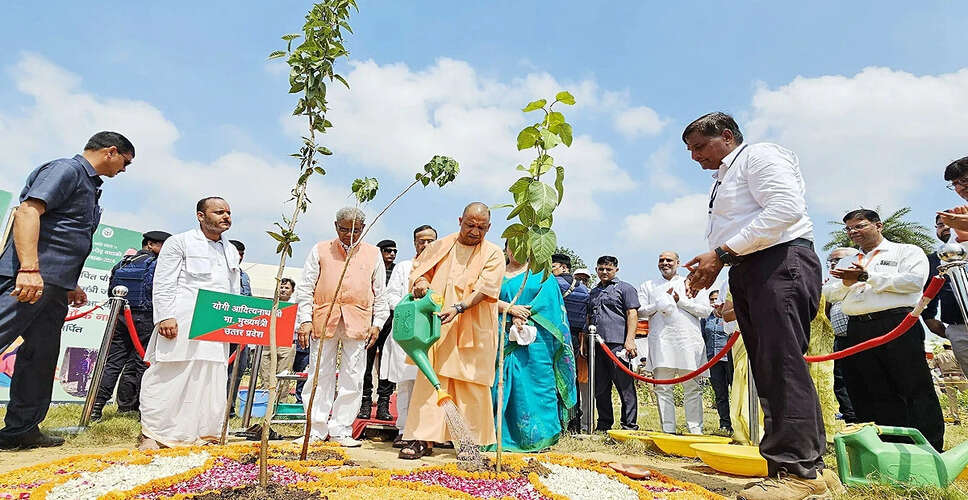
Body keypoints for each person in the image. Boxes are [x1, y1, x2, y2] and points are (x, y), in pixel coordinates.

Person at [680, 112, 838, 499]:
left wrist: (722, 253)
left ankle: (797, 472)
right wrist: (720, 261)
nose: (695, 157)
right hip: (751, 267)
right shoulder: (723, 177)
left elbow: (785, 209)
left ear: (727, 136)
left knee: (781, 365)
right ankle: (812, 468)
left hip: (779, 262)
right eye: (690, 151)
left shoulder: (759, 156)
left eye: (699, 147)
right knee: (773, 368)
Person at [0, 131, 134, 450]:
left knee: (41, 357)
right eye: (125, 162)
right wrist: (29, 269)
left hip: (54, 286)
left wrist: (70, 283)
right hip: (30, 278)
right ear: (111, 152)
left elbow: (65, 233)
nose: (124, 170)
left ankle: (21, 429)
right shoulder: (66, 170)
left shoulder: (89, 185)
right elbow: (28, 212)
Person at [823, 209, 945, 451]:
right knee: (869, 389)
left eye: (859, 226)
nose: (853, 232)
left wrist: (866, 277)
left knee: (913, 386)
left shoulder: (906, 251)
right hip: (857, 327)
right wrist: (847, 282)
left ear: (878, 225)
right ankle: (884, 448)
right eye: (849, 229)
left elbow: (913, 282)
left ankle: (929, 449)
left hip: (897, 324)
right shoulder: (848, 260)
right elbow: (830, 292)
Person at [399, 202, 505, 459]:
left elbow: (486, 289)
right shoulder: (440, 246)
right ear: (460, 221)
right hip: (439, 326)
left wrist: (458, 308)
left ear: (489, 227)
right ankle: (422, 439)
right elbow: (420, 272)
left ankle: (470, 444)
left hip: (474, 328)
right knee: (431, 380)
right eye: (470, 225)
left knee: (471, 385)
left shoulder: (494, 253)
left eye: (481, 227)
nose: (475, 231)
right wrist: (421, 283)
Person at [139, 197, 241, 449]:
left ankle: (205, 434)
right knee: (169, 374)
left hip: (216, 323)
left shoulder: (230, 250)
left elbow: (233, 290)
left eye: (228, 212)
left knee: (211, 377)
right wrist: (165, 315)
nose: (226, 216)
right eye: (219, 212)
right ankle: (154, 433)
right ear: (200, 216)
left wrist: (234, 323)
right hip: (181, 321)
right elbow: (163, 281)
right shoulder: (179, 242)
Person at [293, 207, 388, 448]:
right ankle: (315, 429)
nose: (349, 235)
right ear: (336, 226)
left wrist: (377, 324)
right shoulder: (320, 249)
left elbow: (381, 294)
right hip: (323, 319)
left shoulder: (373, 254)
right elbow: (305, 288)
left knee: (353, 377)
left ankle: (341, 430)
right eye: (344, 229)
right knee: (318, 374)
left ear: (363, 229)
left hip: (358, 322)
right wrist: (304, 320)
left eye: (355, 230)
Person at [490, 244, 577, 452]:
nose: (517, 251)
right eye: (512, 246)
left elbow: (550, 305)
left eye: (523, 247)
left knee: (538, 385)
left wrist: (525, 316)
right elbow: (483, 299)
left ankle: (540, 439)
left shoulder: (542, 275)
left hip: (537, 342)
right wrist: (510, 310)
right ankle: (498, 437)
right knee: (501, 384)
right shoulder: (494, 273)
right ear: (506, 249)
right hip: (500, 338)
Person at [90, 230, 171, 421]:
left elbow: (111, 291)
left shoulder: (123, 263)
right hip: (145, 317)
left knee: (113, 363)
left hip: (120, 316)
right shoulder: (158, 264)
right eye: (163, 245)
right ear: (150, 244)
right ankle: (145, 412)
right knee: (144, 364)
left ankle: (95, 408)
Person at [637, 251, 711, 435]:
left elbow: (705, 311)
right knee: (662, 388)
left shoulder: (692, 282)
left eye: (669, 260)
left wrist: (680, 301)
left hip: (687, 342)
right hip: (661, 342)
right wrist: (659, 304)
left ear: (678, 263)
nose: (665, 263)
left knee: (692, 388)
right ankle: (668, 430)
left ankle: (695, 430)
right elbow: (640, 311)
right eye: (661, 260)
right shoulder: (648, 285)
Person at [381, 225, 437, 448]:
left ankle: (427, 432)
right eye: (421, 241)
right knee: (405, 383)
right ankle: (404, 430)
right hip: (406, 331)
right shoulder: (404, 267)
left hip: (432, 334)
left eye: (430, 241)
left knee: (429, 384)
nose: (426, 245)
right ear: (414, 243)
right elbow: (391, 296)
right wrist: (412, 305)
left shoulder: (442, 267)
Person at [587, 255, 640, 431]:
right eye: (601, 269)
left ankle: (629, 425)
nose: (604, 272)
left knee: (624, 386)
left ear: (616, 270)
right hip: (596, 345)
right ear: (596, 270)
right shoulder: (593, 291)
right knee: (600, 387)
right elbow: (589, 316)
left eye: (608, 269)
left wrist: (630, 340)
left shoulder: (625, 288)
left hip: (618, 344)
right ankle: (604, 424)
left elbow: (632, 314)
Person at [359, 239, 398, 421]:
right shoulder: (369, 268)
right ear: (379, 252)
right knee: (365, 365)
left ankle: (383, 404)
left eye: (394, 251)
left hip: (391, 322)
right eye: (388, 250)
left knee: (387, 365)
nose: (392, 254)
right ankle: (365, 403)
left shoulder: (397, 271)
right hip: (370, 321)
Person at [925, 215, 968, 375]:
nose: (946, 227)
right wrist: (928, 317)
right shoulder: (933, 259)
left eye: (952, 223)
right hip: (958, 328)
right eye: (941, 225)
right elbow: (929, 288)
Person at [551, 253, 590, 432]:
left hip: (554, 335)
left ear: (564, 267)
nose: (550, 270)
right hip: (575, 338)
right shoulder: (583, 288)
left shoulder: (553, 283)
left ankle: (557, 422)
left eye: (553, 267)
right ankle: (574, 423)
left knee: (552, 377)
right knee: (570, 377)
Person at [824, 247, 860, 423]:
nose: (833, 264)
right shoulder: (830, 286)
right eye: (830, 261)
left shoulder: (861, 280)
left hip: (861, 335)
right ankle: (850, 417)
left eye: (837, 260)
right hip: (839, 338)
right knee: (842, 380)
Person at [256, 278, 297, 403]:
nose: (283, 290)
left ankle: (280, 404)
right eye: (281, 287)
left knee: (283, 376)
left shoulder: (296, 306)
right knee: (265, 376)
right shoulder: (270, 305)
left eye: (287, 288)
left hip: (286, 345)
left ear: (292, 291)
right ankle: (265, 404)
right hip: (267, 344)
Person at [701, 290, 733, 433]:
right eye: (712, 299)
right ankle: (725, 424)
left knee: (735, 391)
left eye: (716, 299)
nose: (714, 302)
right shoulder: (706, 318)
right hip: (713, 360)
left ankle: (739, 423)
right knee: (720, 394)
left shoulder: (728, 316)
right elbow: (703, 337)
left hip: (729, 358)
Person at [226, 239, 252, 416]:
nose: (240, 257)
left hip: (241, 332)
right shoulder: (217, 273)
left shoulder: (244, 276)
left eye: (242, 254)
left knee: (237, 370)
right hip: (219, 330)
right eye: (237, 253)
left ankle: (230, 407)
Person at [933, 342, 967, 424]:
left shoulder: (938, 356)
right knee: (966, 394)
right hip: (958, 377)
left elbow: (931, 366)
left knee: (952, 399)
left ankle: (956, 419)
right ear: (951, 347)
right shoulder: (956, 354)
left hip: (946, 378)